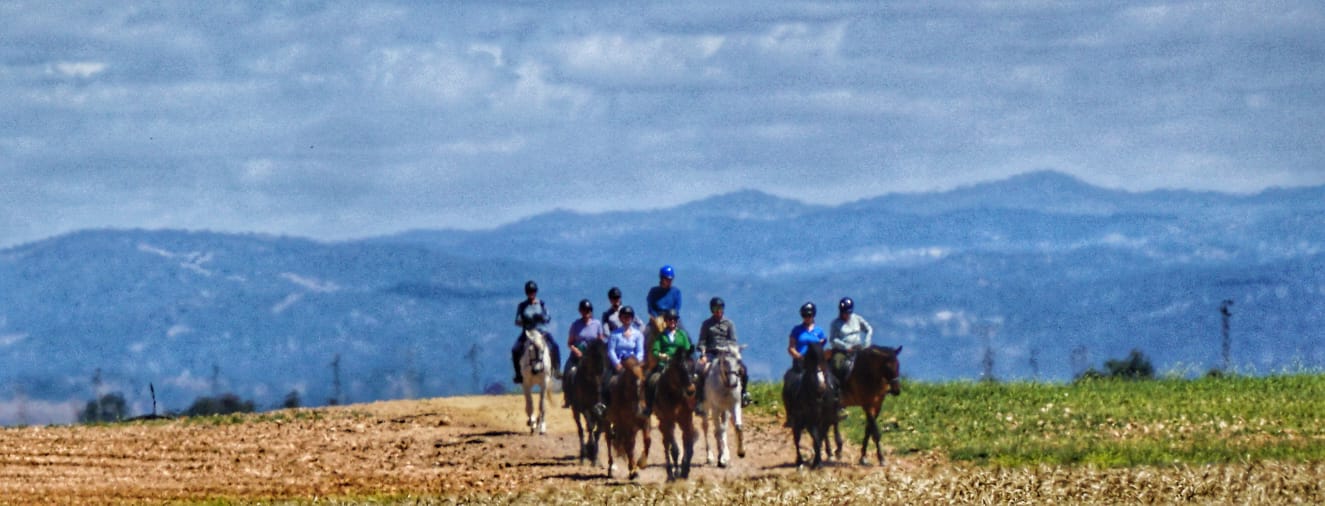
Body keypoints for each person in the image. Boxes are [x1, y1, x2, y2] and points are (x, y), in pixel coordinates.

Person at [785, 301, 844, 422]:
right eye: (805, 315)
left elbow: (821, 346)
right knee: (792, 382)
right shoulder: (796, 330)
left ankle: (835, 406)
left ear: (813, 315)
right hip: (801, 362)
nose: (807, 317)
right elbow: (791, 347)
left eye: (809, 315)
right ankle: (791, 411)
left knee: (831, 381)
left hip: (816, 362)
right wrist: (799, 356)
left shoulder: (819, 331)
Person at [696, 297, 753, 408]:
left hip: (726, 354)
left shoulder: (729, 324)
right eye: (715, 309)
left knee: (743, 369)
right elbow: (702, 341)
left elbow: (733, 341)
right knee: (700, 369)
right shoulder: (706, 324)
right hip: (711, 353)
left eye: (720, 308)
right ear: (711, 310)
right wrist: (703, 353)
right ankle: (700, 398)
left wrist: (729, 349)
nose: (718, 311)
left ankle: (743, 393)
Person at [592, 305, 647, 417]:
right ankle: (603, 404)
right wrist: (616, 363)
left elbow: (640, 351)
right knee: (605, 380)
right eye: (624, 317)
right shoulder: (615, 334)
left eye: (629, 317)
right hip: (619, 362)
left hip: (634, 363)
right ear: (621, 318)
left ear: (632, 318)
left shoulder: (638, 334)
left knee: (645, 381)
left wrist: (637, 363)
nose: (627, 319)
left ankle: (647, 404)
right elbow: (611, 350)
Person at [644, 308, 692, 416]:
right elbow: (655, 350)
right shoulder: (661, 336)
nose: (672, 322)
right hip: (664, 364)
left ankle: (696, 404)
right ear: (666, 321)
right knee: (651, 380)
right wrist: (661, 355)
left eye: (674, 319)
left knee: (692, 379)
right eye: (670, 319)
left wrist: (686, 355)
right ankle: (649, 406)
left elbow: (687, 348)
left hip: (680, 365)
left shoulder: (682, 334)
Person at [511, 280, 562, 384]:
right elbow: (517, 321)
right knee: (515, 349)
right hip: (528, 332)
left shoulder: (541, 304)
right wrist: (525, 321)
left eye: (533, 291)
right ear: (526, 293)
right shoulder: (522, 306)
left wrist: (541, 317)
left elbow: (548, 317)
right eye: (529, 292)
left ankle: (556, 370)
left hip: (541, 332)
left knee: (555, 346)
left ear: (536, 292)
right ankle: (518, 374)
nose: (531, 293)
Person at [563, 298, 606, 407]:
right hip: (578, 354)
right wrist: (576, 351)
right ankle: (568, 397)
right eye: (584, 310)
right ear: (580, 311)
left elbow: (600, 340)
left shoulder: (597, 324)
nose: (586, 312)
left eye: (588, 310)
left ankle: (604, 397)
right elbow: (570, 343)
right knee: (568, 371)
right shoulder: (575, 325)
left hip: (593, 356)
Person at [828, 297, 874, 384]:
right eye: (844, 312)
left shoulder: (857, 318)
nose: (846, 315)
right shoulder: (835, 324)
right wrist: (845, 347)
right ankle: (840, 385)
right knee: (839, 366)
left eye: (848, 312)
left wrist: (867, 341)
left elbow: (869, 329)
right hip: (843, 351)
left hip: (858, 348)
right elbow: (833, 340)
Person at [644, 265, 682, 347]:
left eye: (671, 279)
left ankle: (691, 354)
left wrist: (670, 318)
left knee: (685, 334)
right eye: (667, 279)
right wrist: (656, 318)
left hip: (672, 318)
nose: (670, 281)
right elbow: (650, 307)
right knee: (645, 335)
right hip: (657, 318)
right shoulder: (653, 291)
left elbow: (677, 307)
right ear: (662, 278)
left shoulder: (676, 292)